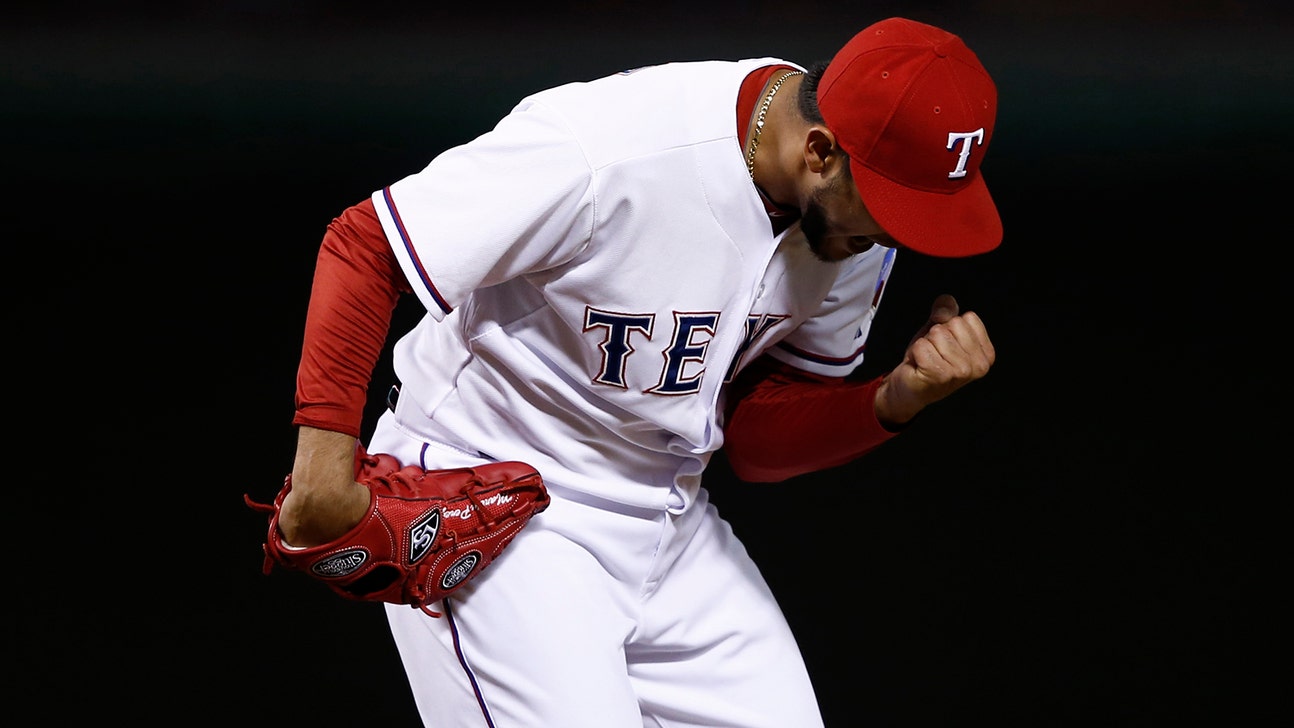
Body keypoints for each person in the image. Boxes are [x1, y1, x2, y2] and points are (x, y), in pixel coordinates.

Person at [275, 16, 1002, 727]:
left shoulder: (849, 219)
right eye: (886, 208)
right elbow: (366, 244)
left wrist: (894, 400)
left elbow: (750, 438)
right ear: (819, 151)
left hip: (670, 513)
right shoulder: (612, 149)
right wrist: (321, 477)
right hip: (500, 497)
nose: (890, 234)